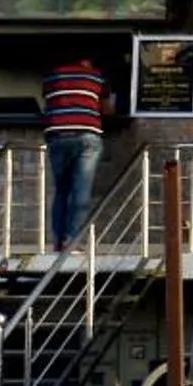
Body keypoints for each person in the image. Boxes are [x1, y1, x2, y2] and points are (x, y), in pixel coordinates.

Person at [40, 56, 111, 252]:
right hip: (86, 135)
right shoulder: (97, 77)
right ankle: (72, 241)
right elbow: (106, 109)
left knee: (62, 191)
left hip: (57, 135)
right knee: (81, 191)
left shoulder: (52, 76)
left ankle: (57, 243)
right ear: (88, 61)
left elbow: (48, 104)